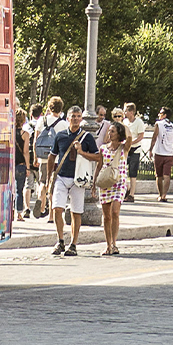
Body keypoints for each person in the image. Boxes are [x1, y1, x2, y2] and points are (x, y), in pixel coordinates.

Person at [48, 105, 101, 258]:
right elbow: (52, 156)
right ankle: (60, 240)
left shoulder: (87, 137)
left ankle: (73, 243)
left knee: (75, 212)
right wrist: (49, 176)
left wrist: (82, 152)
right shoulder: (60, 136)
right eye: (74, 116)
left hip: (78, 179)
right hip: (61, 176)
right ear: (68, 118)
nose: (76, 119)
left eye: (79, 116)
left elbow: (97, 157)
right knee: (57, 208)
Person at [98, 121, 129, 255]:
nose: (109, 134)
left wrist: (122, 121)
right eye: (109, 131)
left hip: (119, 183)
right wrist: (94, 184)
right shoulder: (103, 148)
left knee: (115, 212)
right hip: (106, 184)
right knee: (106, 216)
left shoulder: (123, 148)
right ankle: (108, 244)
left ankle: (115, 243)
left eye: (112, 131)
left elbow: (130, 137)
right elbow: (99, 166)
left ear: (118, 134)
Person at [150, 106, 173, 202]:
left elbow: (154, 137)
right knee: (167, 175)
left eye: (161, 113)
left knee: (159, 175)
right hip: (169, 153)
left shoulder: (158, 124)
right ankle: (164, 195)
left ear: (165, 115)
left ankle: (160, 194)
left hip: (159, 152)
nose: (159, 115)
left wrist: (150, 149)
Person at [122, 103, 147, 203]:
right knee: (123, 170)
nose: (124, 113)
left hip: (135, 149)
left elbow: (141, 136)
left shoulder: (139, 122)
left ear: (131, 112)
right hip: (126, 149)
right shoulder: (125, 122)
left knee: (133, 172)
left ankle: (132, 194)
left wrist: (131, 142)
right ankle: (126, 189)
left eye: (126, 111)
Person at [14, 110, 30, 221]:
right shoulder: (25, 134)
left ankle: (10, 212)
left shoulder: (9, 132)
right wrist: (28, 167)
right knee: (19, 190)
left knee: (10, 190)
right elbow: (25, 152)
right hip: (20, 165)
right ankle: (19, 214)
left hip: (10, 165)